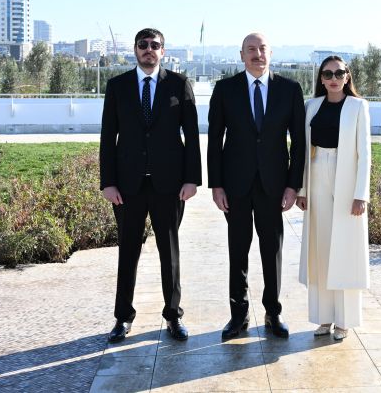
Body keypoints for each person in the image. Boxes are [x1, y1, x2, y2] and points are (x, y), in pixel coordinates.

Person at [99, 27, 201, 343]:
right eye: (143, 44)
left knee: (169, 253)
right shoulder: (117, 86)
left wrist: (192, 179)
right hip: (127, 187)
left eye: (154, 45)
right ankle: (122, 318)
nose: (148, 49)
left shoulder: (179, 84)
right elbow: (108, 137)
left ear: (163, 51)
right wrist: (108, 183)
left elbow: (192, 135)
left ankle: (173, 316)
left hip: (169, 185)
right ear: (135, 50)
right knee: (128, 252)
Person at [208, 32, 306, 340]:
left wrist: (293, 185)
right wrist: (216, 185)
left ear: (270, 53)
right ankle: (238, 316)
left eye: (262, 48)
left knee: (272, 250)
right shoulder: (225, 89)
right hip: (235, 186)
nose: (257, 54)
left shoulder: (290, 89)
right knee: (238, 250)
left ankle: (272, 312)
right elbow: (214, 140)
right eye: (251, 49)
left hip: (274, 185)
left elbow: (299, 143)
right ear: (241, 55)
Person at [296, 55, 371, 341]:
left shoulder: (358, 107)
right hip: (316, 173)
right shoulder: (312, 106)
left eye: (339, 73)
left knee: (345, 248)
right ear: (321, 79)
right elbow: (303, 151)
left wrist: (360, 194)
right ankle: (324, 317)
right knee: (321, 248)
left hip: (346, 177)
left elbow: (365, 155)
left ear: (347, 76)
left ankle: (344, 320)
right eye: (327, 74)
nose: (334, 79)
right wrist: (302, 190)